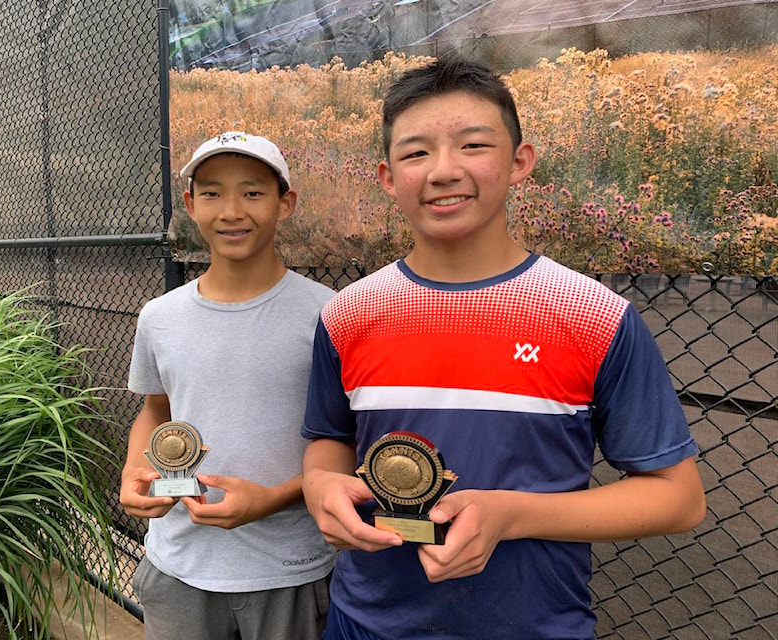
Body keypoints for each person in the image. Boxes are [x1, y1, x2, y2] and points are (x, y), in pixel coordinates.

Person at [300, 54, 706, 639]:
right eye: (416, 152)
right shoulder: (348, 314)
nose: (442, 171)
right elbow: (329, 439)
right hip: (363, 623)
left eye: (473, 145)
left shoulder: (593, 315)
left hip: (534, 626)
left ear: (520, 162)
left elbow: (678, 499)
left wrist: (511, 516)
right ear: (388, 177)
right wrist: (320, 486)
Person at [120, 131, 335, 639]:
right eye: (212, 193)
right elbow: (155, 409)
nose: (231, 210)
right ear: (191, 205)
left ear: (286, 204)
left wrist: (275, 497)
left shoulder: (328, 313)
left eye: (253, 192)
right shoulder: (159, 316)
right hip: (178, 565)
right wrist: (135, 467)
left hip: (291, 567)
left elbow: (345, 441)